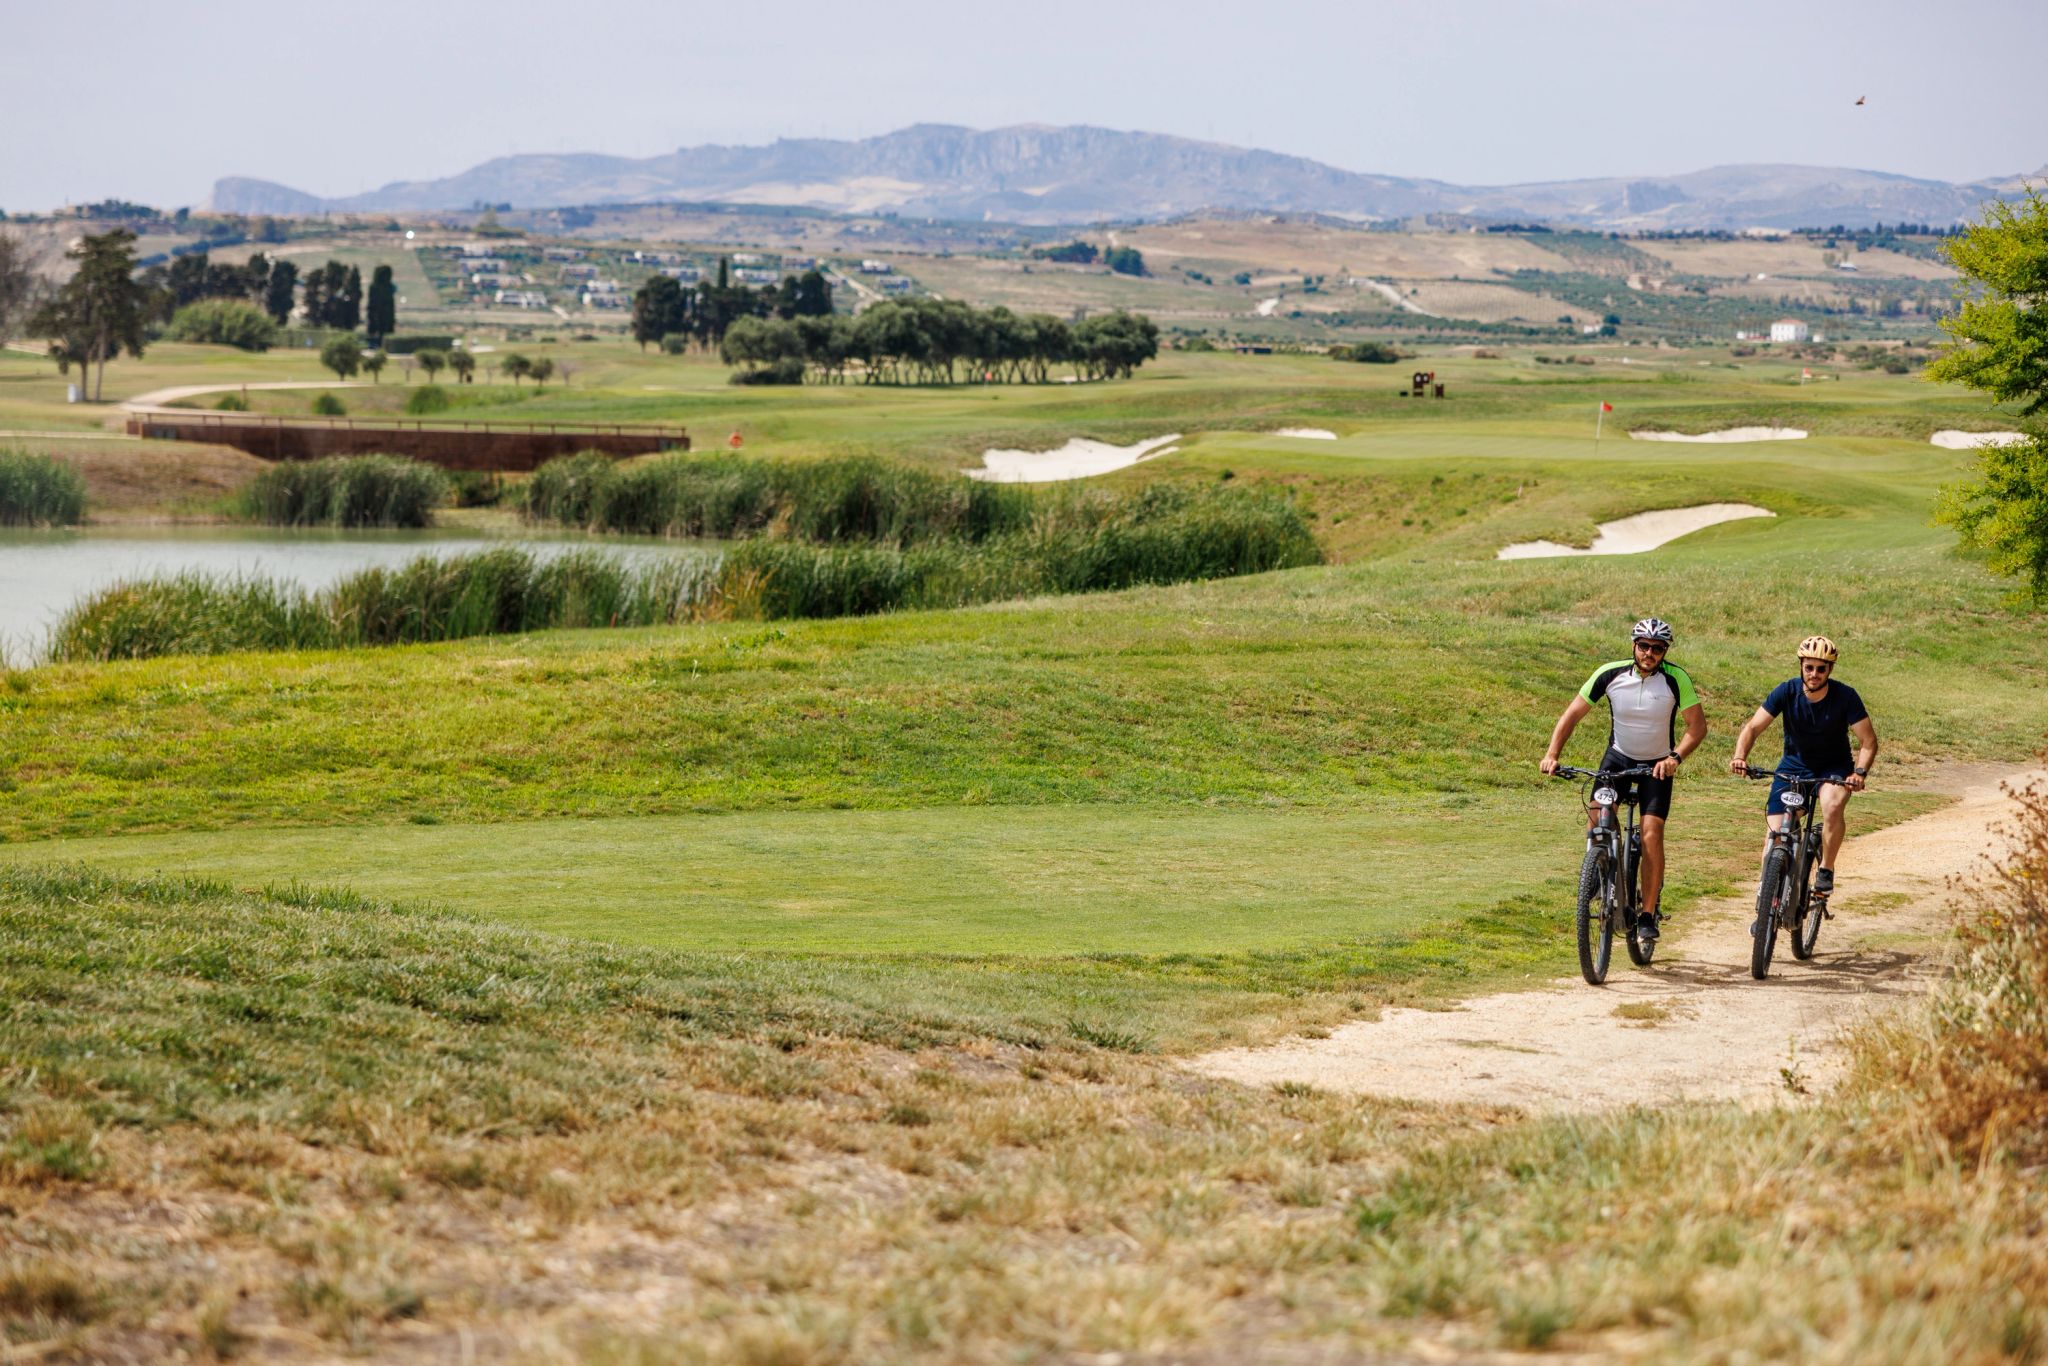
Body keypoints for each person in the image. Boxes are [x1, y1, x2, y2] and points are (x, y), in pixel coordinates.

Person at [1539, 618, 1707, 941]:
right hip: (1618, 758)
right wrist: (1552, 754)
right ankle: (1597, 872)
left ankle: (1647, 913)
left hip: (1657, 766)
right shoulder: (1610, 674)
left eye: (1657, 649)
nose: (1649, 653)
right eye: (1644, 646)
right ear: (1633, 646)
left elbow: (1697, 728)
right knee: (1598, 812)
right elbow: (1572, 714)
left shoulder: (1676, 679)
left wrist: (1675, 758)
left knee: (1651, 833)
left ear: (1664, 652)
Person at [1727, 634, 1878, 901]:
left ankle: (1826, 870)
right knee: (1775, 835)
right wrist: (1740, 756)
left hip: (1834, 768)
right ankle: (1767, 901)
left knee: (1831, 805)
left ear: (1830, 669)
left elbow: (1868, 741)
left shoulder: (1846, 697)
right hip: (1794, 766)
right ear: (1801, 666)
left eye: (1821, 669)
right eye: (1809, 667)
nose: (1815, 674)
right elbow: (1752, 727)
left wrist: (1859, 772)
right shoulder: (1786, 691)